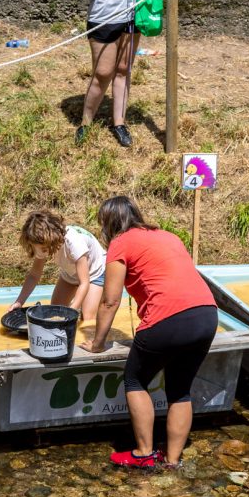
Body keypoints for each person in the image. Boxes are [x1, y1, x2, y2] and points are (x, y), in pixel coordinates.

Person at [79, 196, 218, 468]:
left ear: (108, 223)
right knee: (180, 389)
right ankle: (172, 460)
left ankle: (143, 454)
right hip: (206, 314)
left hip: (167, 317)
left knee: (134, 379)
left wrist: (97, 343)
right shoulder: (167, 235)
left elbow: (109, 300)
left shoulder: (121, 242)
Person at [77, 0, 144, 148]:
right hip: (104, 18)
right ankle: (85, 123)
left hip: (131, 16)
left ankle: (119, 123)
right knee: (102, 73)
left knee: (124, 70)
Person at [8, 210, 107, 321]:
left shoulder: (74, 243)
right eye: (36, 248)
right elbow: (34, 275)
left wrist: (72, 311)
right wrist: (19, 302)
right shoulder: (41, 242)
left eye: (43, 249)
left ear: (53, 240)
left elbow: (84, 283)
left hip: (94, 273)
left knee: (88, 318)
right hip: (70, 273)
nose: (40, 252)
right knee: (54, 313)